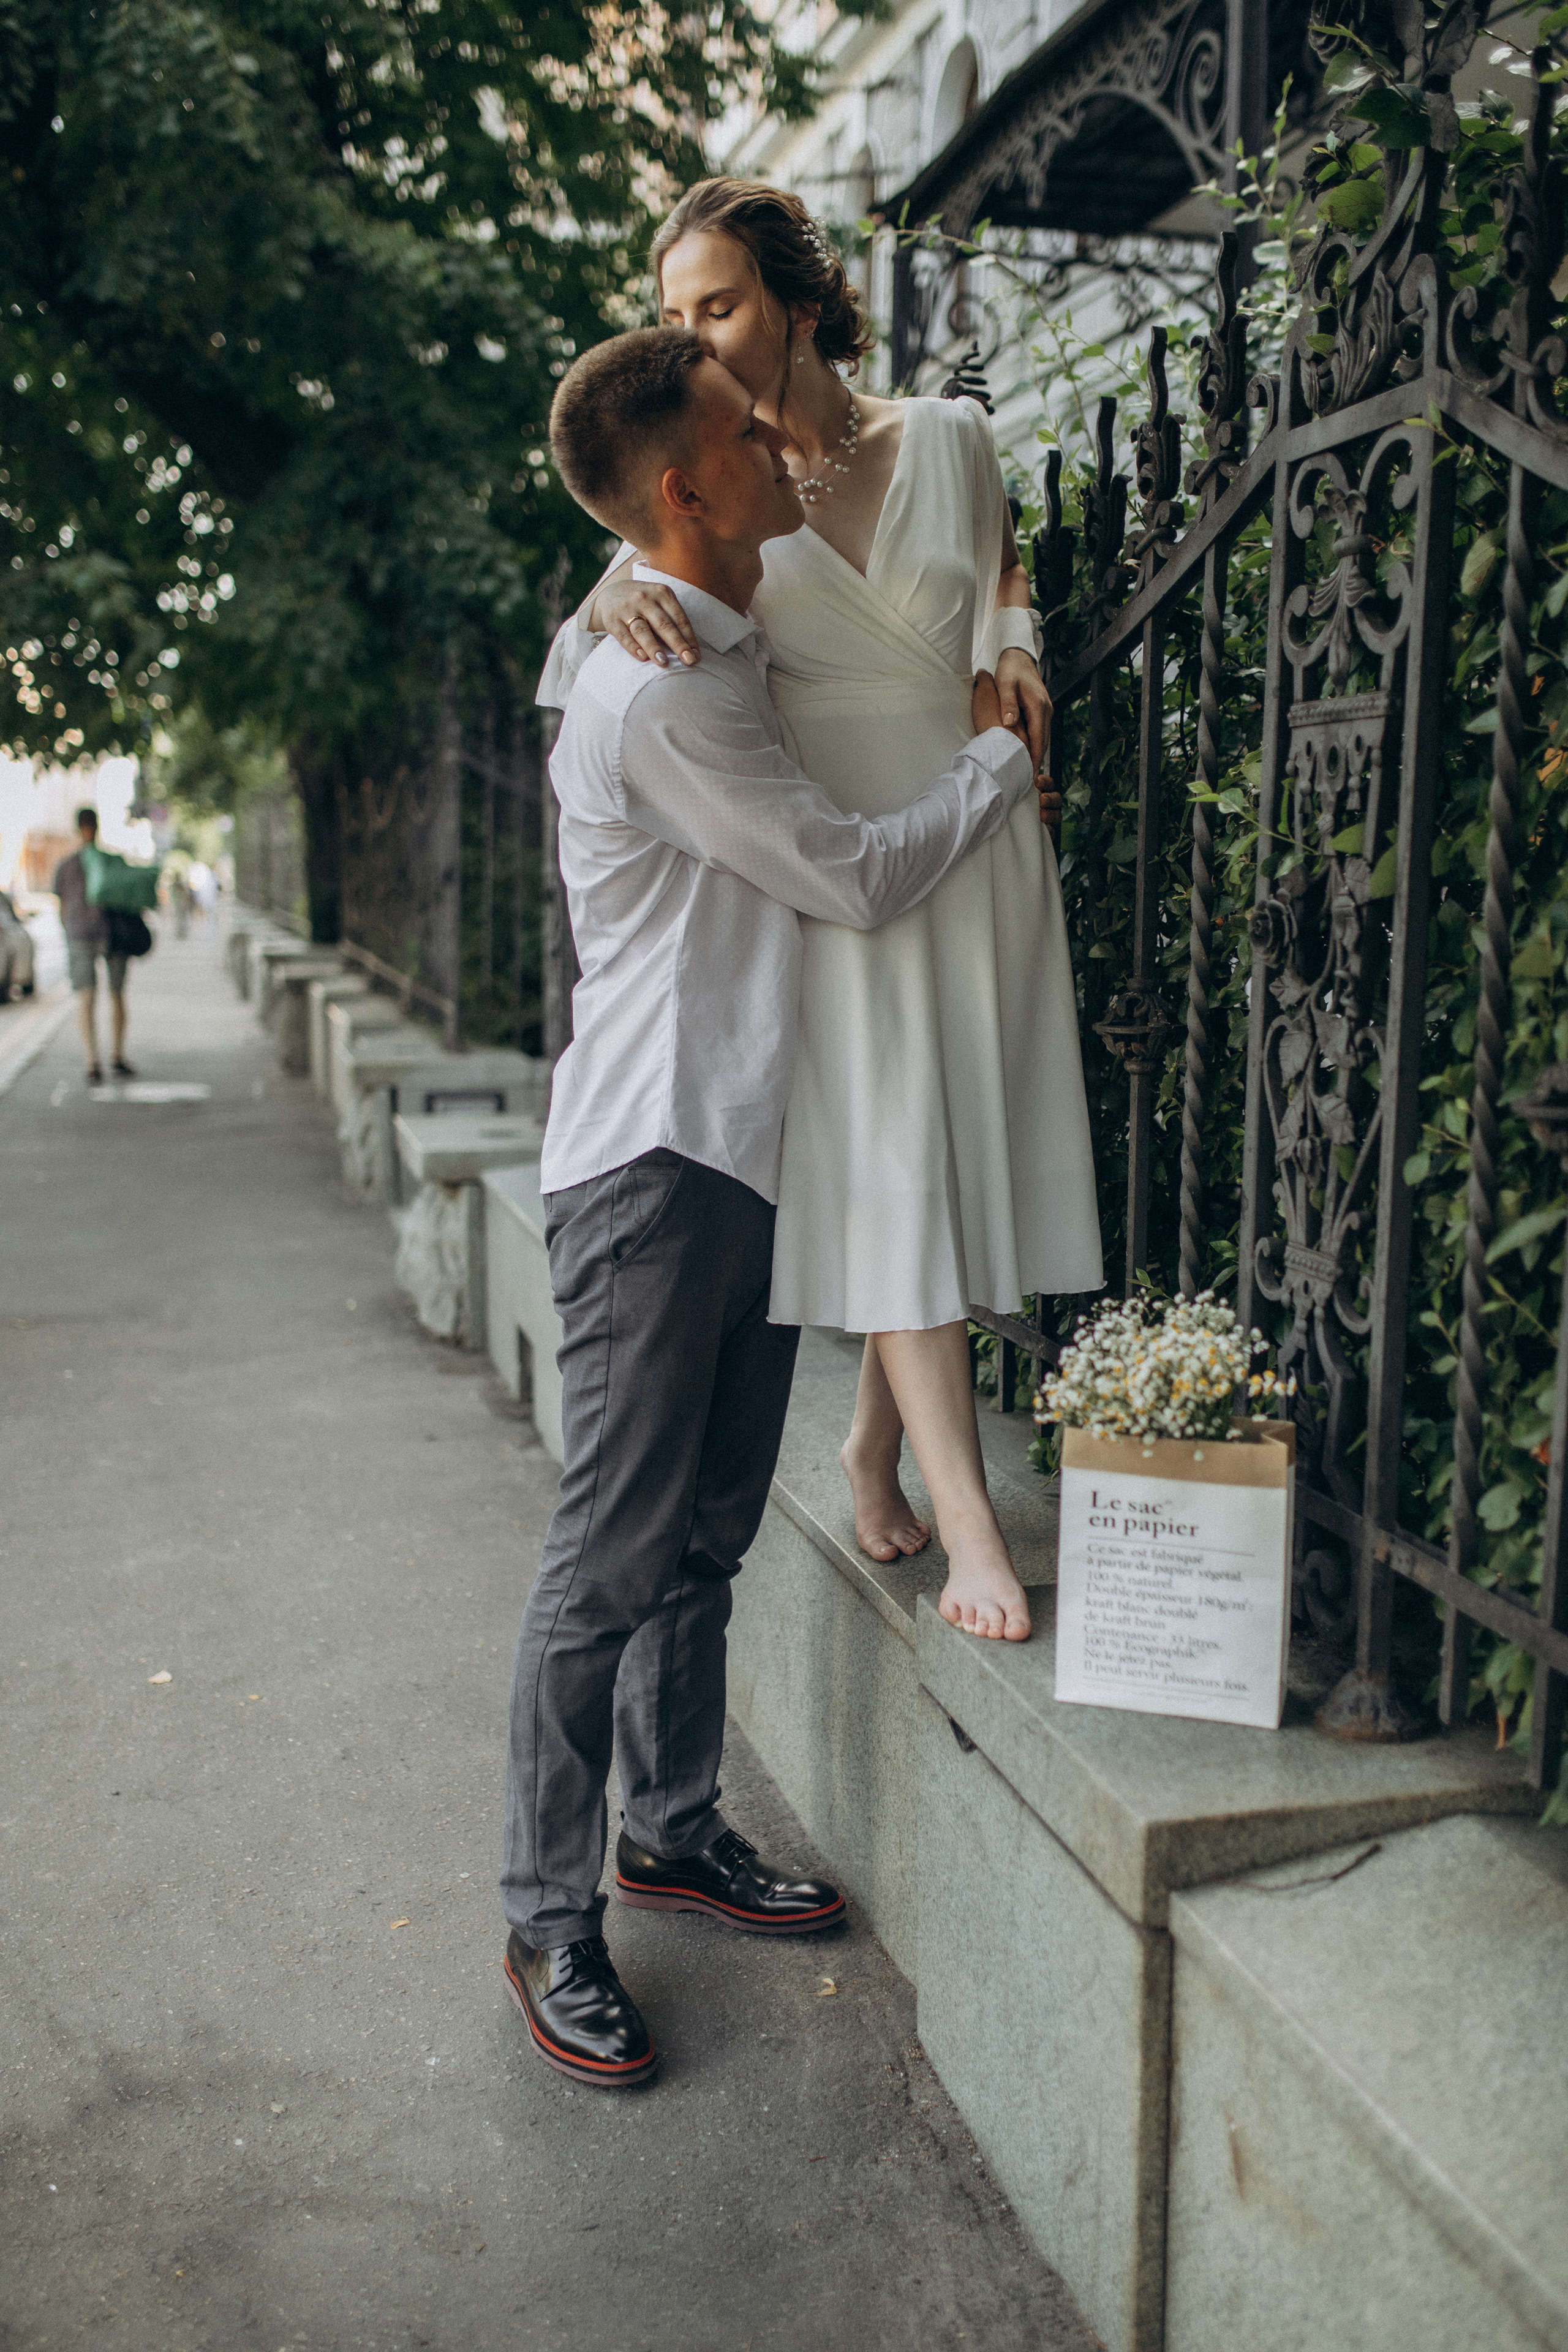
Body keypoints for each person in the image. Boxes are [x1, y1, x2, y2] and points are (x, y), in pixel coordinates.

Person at [502, 325, 1042, 2087]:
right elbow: (852, 873)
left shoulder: (694, 631)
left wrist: (602, 593)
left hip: (743, 1149)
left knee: (710, 1525)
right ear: (687, 487)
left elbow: (646, 588)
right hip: (652, 1168)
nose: (781, 453)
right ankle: (549, 1915)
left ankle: (672, 1828)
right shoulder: (656, 693)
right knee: (609, 1553)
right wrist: (996, 761)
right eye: (745, 436)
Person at [541, 179, 1103, 1649]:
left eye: (715, 307)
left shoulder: (947, 436)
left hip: (978, 829)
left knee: (946, 1155)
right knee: (893, 1155)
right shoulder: (708, 480)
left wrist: (1020, 645)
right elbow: (599, 635)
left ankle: (868, 1445)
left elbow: (997, 572)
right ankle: (964, 1511)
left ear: (797, 300)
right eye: (673, 318)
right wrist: (606, 610)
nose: (697, 344)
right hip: (845, 868)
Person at [53, 807, 134, 1085]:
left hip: (80, 935)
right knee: (117, 994)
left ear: (79, 829)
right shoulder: (112, 861)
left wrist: (70, 930)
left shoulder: (66, 866)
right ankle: (117, 1056)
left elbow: (61, 909)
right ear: (97, 827)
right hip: (111, 935)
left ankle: (92, 1061)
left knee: (87, 998)